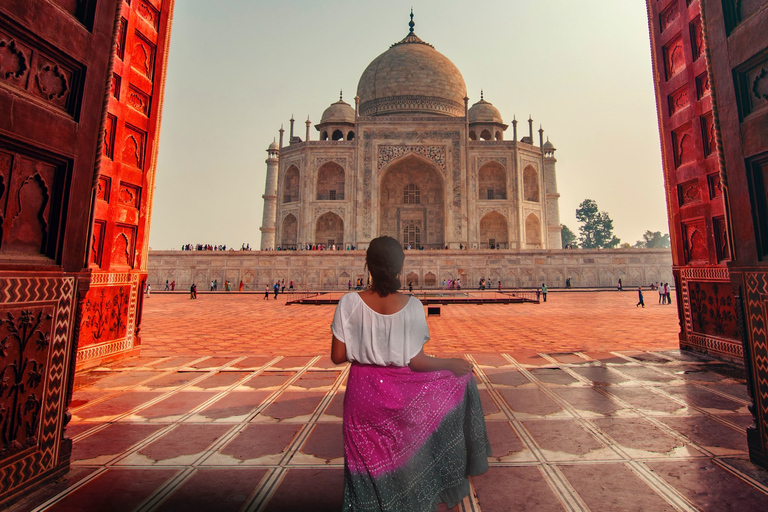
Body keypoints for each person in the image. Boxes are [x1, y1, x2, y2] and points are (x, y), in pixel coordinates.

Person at [330, 236, 490, 510]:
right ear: (400, 267)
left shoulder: (348, 303)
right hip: (399, 394)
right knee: (400, 460)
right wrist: (450, 364)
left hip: (361, 396)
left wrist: (365, 347)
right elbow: (417, 363)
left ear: (367, 264)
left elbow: (337, 357)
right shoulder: (413, 306)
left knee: (363, 466)